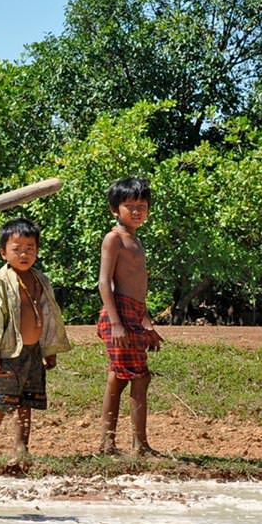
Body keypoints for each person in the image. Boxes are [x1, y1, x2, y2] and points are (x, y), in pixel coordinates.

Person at [0, 218, 71, 458]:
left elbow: (49, 315)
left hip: (33, 351)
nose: (24, 254)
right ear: (3, 253)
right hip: (9, 352)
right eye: (17, 249)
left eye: (30, 249)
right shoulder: (0, 283)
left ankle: (21, 446)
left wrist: (50, 350)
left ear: (37, 251)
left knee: (26, 401)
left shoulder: (41, 280)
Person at [97, 176, 164, 456]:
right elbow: (104, 282)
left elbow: (139, 290)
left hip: (135, 314)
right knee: (129, 378)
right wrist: (116, 324)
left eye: (142, 205)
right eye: (130, 206)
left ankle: (127, 444)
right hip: (119, 314)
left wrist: (147, 323)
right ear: (116, 210)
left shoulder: (136, 241)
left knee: (131, 378)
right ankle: (119, 443)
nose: (137, 211)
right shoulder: (114, 239)